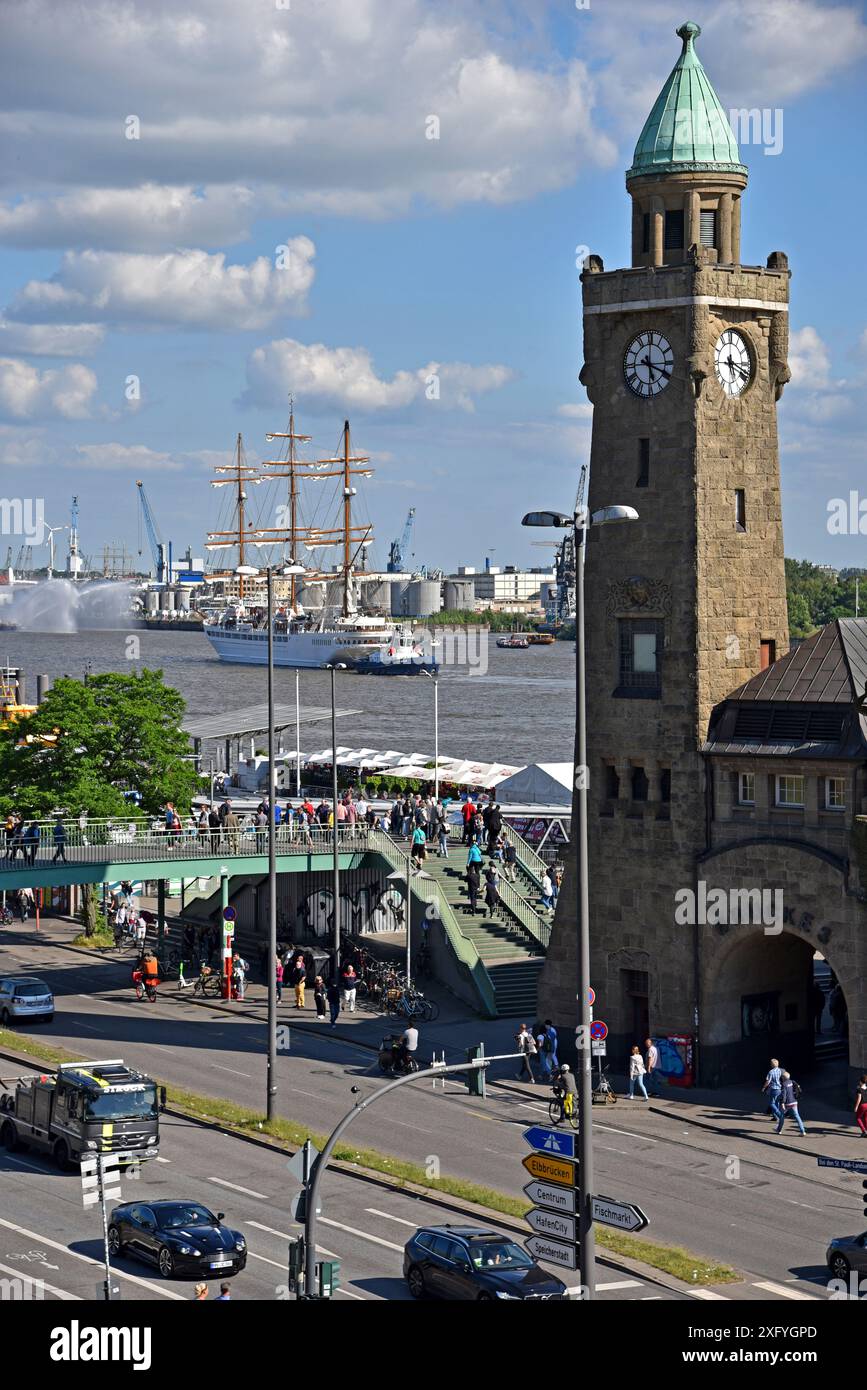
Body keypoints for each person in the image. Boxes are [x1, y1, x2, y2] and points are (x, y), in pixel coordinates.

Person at [775, 1071, 806, 1136]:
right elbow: (798, 1087)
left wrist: (782, 1103)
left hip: (787, 1103)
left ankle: (779, 1130)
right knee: (797, 1116)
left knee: (782, 1116)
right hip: (794, 1102)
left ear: (783, 1078)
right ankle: (802, 1131)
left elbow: (784, 1094)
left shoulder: (784, 1084)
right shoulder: (792, 1082)